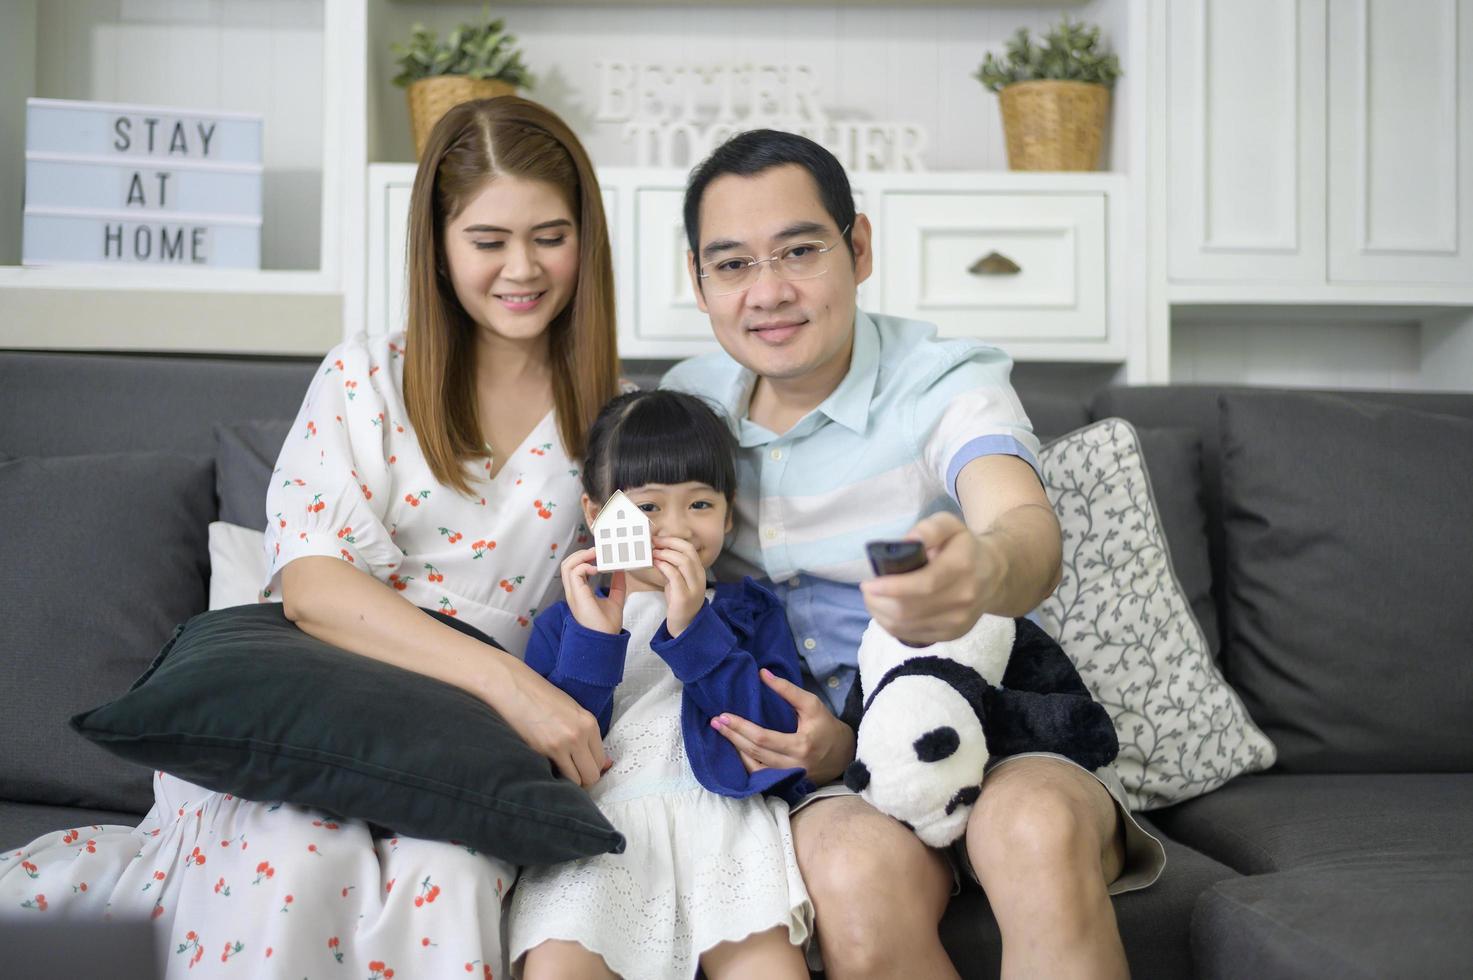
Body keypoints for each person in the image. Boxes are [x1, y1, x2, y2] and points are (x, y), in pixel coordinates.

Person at [0, 96, 620, 977]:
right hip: (310, 717)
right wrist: (512, 686)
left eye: (549, 236)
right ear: (439, 250)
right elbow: (314, 587)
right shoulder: (368, 374)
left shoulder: (613, 421)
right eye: (488, 241)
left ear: (584, 239)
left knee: (444, 871)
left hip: (463, 759)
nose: (521, 268)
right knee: (301, 855)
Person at [663, 129, 1167, 979]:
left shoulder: (946, 382)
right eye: (733, 264)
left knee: (1032, 829)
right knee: (852, 874)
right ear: (699, 282)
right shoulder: (686, 408)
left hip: (998, 730)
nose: (771, 292)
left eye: (798, 250)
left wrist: (982, 573)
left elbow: (1022, 527)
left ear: (857, 248)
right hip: (833, 772)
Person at [507, 388, 815, 980]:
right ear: (597, 515)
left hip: (726, 830)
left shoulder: (749, 611)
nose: (676, 528)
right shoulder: (562, 622)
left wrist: (696, 627)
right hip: (600, 832)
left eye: (700, 504)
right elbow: (558, 757)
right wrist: (595, 642)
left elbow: (774, 735)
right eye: (647, 508)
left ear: (729, 513)